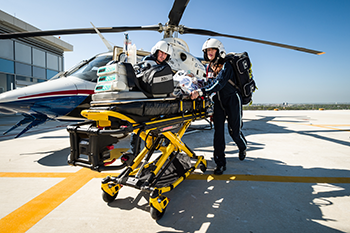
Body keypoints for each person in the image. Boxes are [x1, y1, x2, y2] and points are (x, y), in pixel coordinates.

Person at [190, 38, 247, 175]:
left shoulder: (226, 65)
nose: (209, 52)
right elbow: (208, 83)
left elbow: (219, 84)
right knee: (218, 133)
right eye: (207, 50)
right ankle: (220, 163)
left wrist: (201, 92)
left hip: (232, 100)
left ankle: (242, 147)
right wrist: (194, 83)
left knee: (234, 132)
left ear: (219, 50)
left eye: (212, 49)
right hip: (218, 102)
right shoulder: (209, 67)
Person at [130, 40, 174, 155]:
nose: (163, 56)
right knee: (138, 130)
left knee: (167, 124)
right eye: (161, 52)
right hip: (145, 100)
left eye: (165, 54)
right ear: (156, 51)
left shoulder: (165, 66)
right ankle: (135, 153)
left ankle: (169, 152)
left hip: (159, 101)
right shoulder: (147, 62)